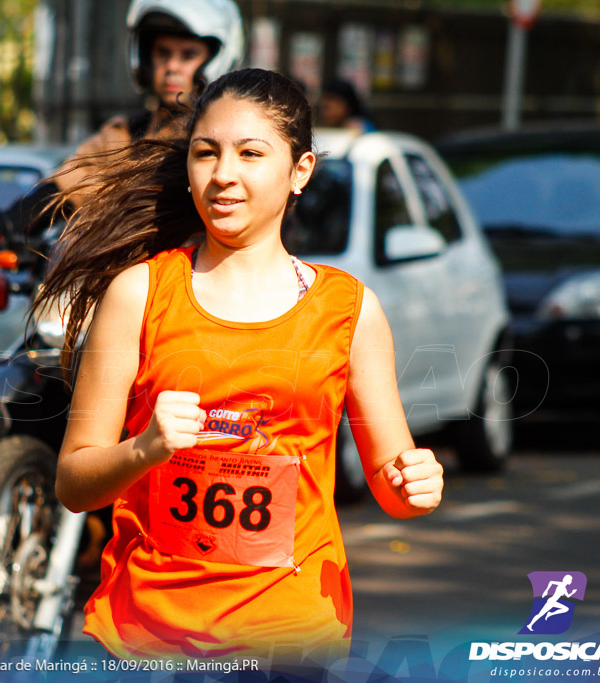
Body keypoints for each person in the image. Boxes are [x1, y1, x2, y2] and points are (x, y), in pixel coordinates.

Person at [32, 68, 443, 663]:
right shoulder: (138, 293)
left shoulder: (349, 308)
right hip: (145, 642)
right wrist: (143, 449)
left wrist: (415, 487)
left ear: (299, 171)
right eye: (206, 153)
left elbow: (391, 479)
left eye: (251, 153)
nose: (224, 174)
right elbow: (73, 482)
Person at [0, 0, 244, 262]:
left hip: (203, 276)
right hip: (127, 277)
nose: (171, 67)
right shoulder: (127, 133)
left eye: (188, 55)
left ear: (215, 57)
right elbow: (67, 186)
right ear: (144, 58)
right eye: (162, 53)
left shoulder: (227, 133)